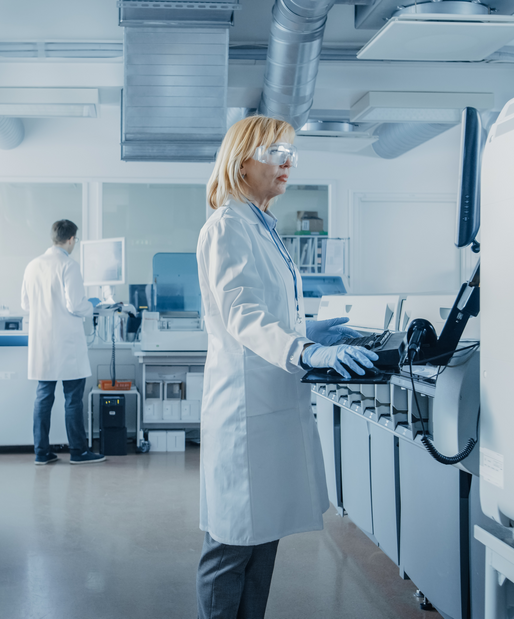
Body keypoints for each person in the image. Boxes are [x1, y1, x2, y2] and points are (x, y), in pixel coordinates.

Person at [195, 115, 378, 619]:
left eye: (290, 152)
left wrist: (312, 333)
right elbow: (242, 316)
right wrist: (307, 352)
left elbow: (270, 313)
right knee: (231, 546)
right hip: (243, 411)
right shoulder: (228, 226)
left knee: (262, 539)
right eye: (274, 151)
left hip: (269, 405)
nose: (287, 161)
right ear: (240, 161)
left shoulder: (259, 223)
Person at [20, 219, 107, 465]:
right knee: (72, 399)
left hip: (42, 343)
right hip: (67, 344)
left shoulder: (32, 265)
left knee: (43, 397)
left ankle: (41, 453)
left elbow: (25, 305)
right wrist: (92, 304)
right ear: (71, 239)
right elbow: (76, 305)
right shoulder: (69, 265)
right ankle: (78, 452)